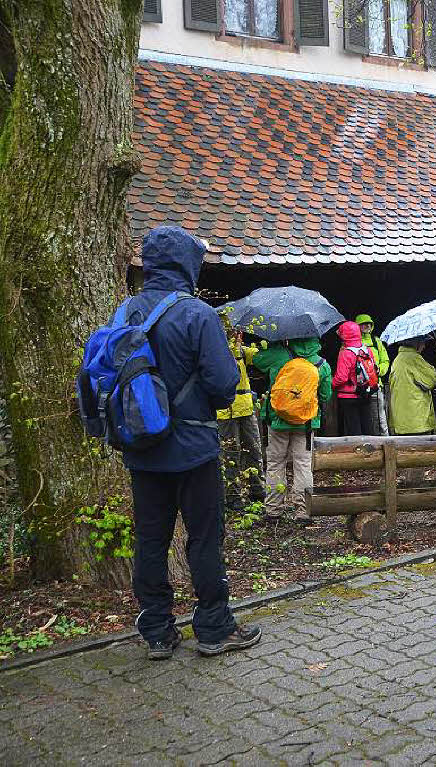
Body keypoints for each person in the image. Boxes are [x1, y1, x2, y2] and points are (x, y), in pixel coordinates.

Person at [122, 226, 260, 660]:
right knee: (203, 537)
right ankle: (215, 628)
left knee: (149, 539)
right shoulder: (197, 314)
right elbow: (224, 385)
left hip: (141, 450)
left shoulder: (123, 312)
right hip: (194, 449)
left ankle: (158, 631)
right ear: (186, 263)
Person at [254, 337, 332, 523]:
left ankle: (273, 511)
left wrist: (275, 344)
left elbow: (256, 360)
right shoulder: (322, 364)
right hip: (305, 424)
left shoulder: (278, 355)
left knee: (275, 463)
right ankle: (303, 512)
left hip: (278, 420)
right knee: (303, 465)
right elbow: (326, 395)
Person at [216, 319, 265, 512]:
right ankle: (233, 497)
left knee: (253, 451)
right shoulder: (218, 353)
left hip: (245, 409)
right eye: (235, 332)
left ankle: (256, 492)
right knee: (231, 455)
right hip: (225, 412)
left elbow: (262, 357)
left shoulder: (243, 351)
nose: (238, 335)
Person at [333, 320, 377, 436]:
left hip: (348, 396)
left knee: (353, 430)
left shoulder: (346, 353)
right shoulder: (367, 350)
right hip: (365, 393)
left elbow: (341, 378)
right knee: (367, 426)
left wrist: (331, 384)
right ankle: (371, 452)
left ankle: (357, 453)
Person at [355, 313, 390, 436]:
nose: (367, 326)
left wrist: (381, 369)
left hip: (376, 385)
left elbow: (385, 360)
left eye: (369, 323)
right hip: (359, 387)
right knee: (363, 418)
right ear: (357, 326)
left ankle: (385, 442)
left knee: (380, 418)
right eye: (364, 323)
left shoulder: (377, 341)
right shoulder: (353, 342)